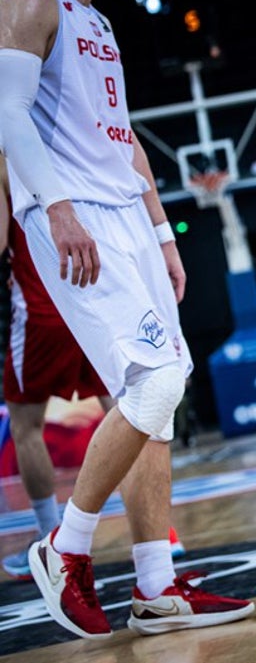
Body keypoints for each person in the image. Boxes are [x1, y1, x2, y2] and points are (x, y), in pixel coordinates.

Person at [0, 0, 252, 637]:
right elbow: (7, 114)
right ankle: (66, 547)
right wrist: (56, 206)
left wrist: (162, 233)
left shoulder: (100, 29)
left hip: (125, 220)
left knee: (157, 405)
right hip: (72, 215)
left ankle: (156, 587)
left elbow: (125, 137)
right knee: (155, 378)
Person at [0, 155, 187, 579]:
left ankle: (52, 538)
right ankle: (162, 534)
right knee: (136, 404)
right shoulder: (79, 143)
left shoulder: (10, 155)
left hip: (43, 311)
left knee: (26, 425)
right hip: (95, 292)